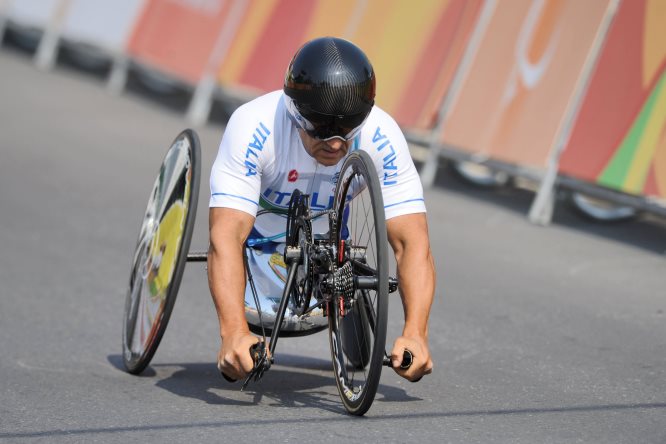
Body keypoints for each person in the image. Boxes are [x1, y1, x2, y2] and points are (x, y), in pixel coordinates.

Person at [208, 37, 435, 383]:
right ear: (295, 111)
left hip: (328, 244)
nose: (334, 144)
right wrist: (233, 331)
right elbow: (225, 237)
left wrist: (416, 331)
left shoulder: (383, 136)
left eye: (346, 131)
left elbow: (412, 244)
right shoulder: (253, 126)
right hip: (254, 246)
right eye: (320, 130)